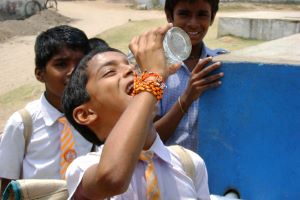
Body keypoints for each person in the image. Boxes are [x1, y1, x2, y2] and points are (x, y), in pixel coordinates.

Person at [62, 24, 210, 199]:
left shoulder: (189, 163)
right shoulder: (83, 168)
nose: (131, 70)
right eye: (110, 72)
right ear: (86, 114)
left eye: (130, 64)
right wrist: (153, 79)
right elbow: (112, 178)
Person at [0, 25, 95, 195]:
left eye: (81, 64)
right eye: (61, 64)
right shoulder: (22, 123)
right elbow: (7, 185)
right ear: (40, 74)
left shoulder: (93, 117)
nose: (74, 72)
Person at [155, 0, 227, 151]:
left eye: (202, 15)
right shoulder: (154, 68)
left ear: (212, 18)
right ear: (169, 16)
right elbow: (148, 139)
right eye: (184, 14)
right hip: (168, 171)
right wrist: (187, 98)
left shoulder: (223, 62)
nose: (193, 23)